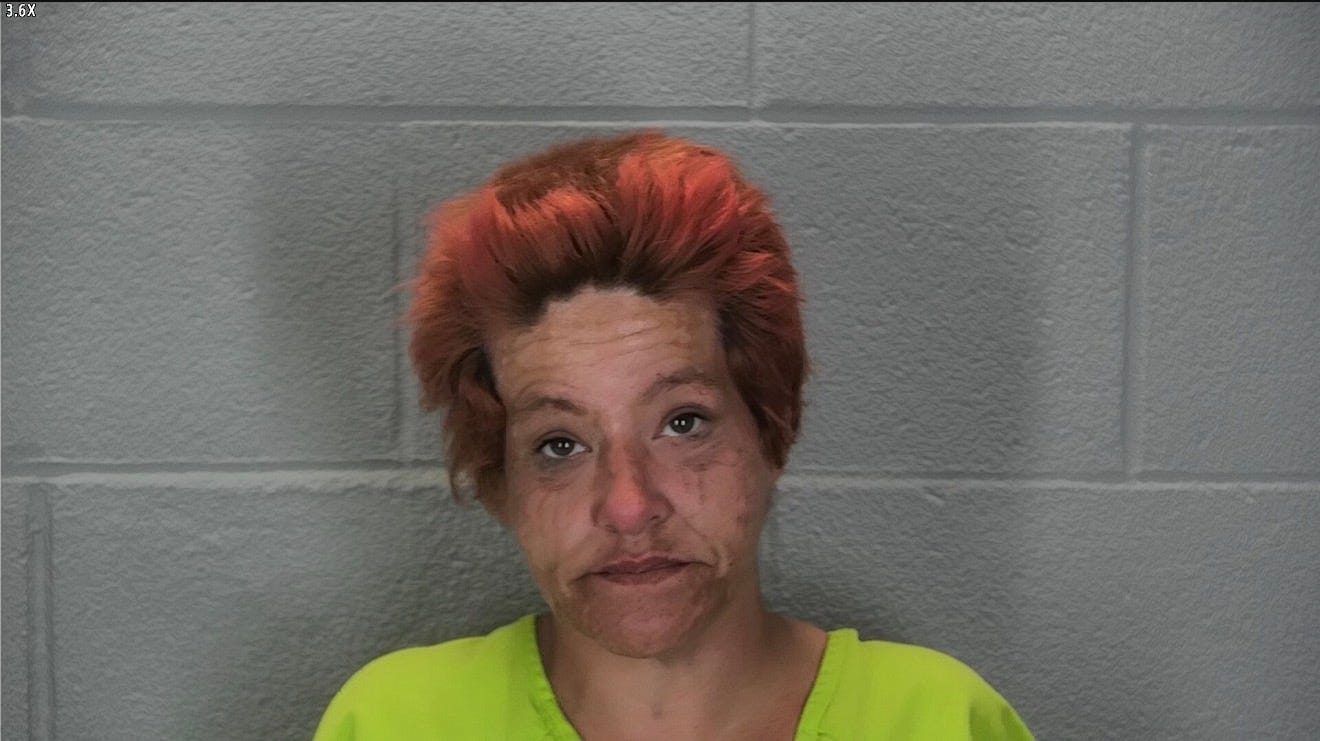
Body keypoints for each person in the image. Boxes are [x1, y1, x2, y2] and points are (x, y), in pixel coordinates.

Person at [314, 131, 1033, 740]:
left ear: (770, 431)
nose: (630, 507)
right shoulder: (393, 720)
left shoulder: (938, 718)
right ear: (501, 483)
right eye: (559, 444)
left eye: (683, 423)